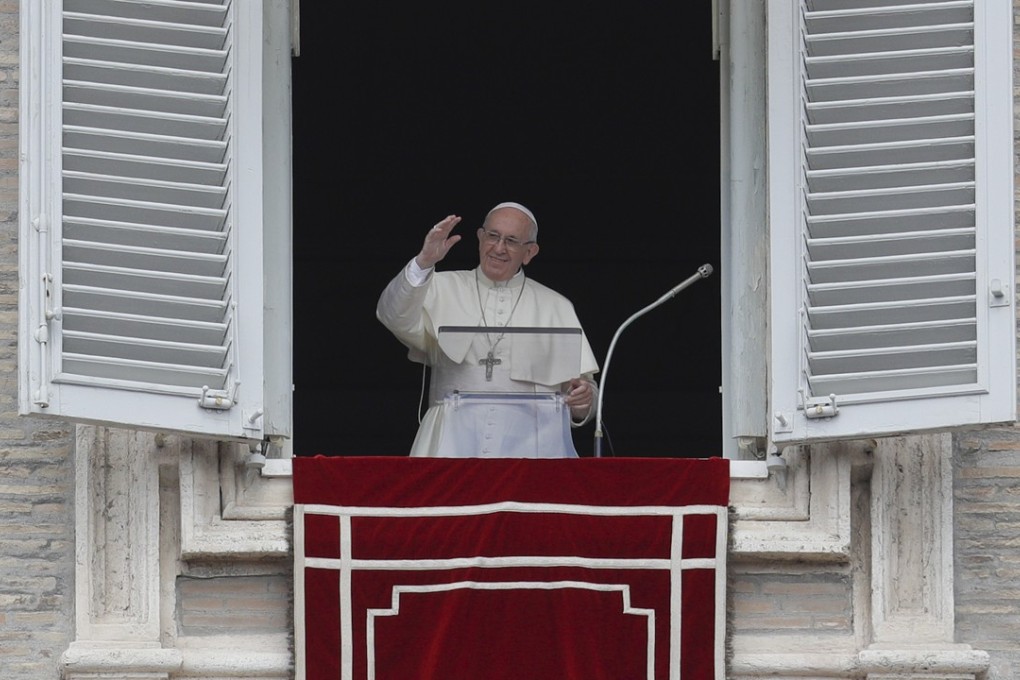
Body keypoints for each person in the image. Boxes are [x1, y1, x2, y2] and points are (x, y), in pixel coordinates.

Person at [377, 201, 600, 457]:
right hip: (451, 442)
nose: (499, 248)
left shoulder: (556, 305)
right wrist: (423, 262)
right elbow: (391, 315)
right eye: (493, 236)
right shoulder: (440, 286)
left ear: (530, 252)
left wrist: (583, 401)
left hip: (534, 444)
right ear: (480, 238)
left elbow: (583, 391)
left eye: (512, 241)